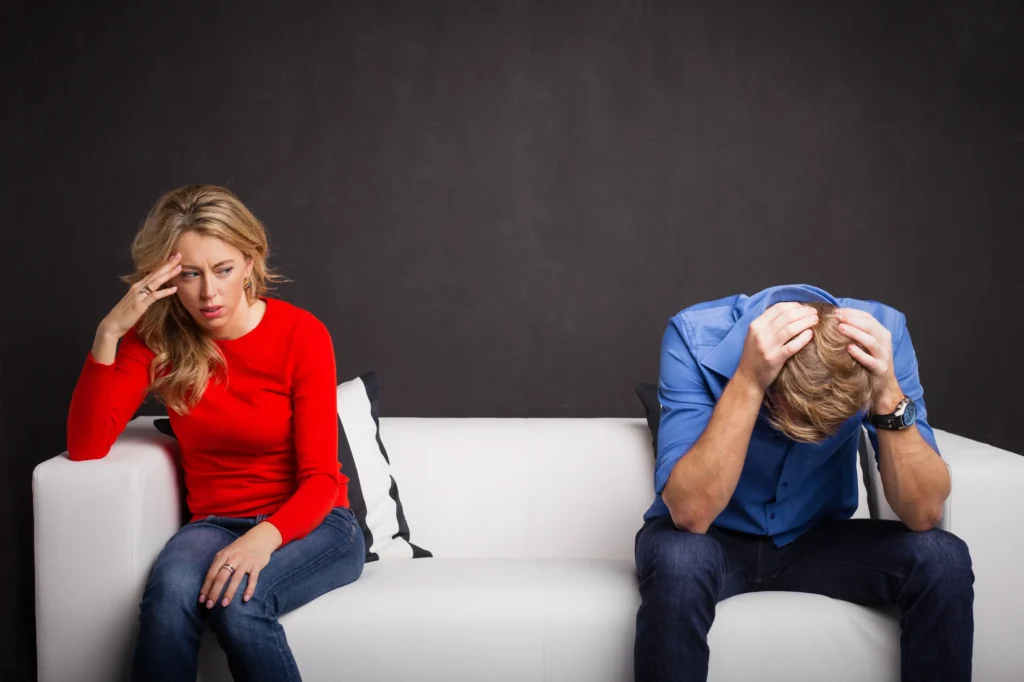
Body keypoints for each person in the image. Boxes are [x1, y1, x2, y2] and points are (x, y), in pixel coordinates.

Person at [67, 184, 364, 682]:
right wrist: (110, 334)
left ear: (250, 261)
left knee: (241, 606)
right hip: (214, 524)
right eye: (189, 274)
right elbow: (86, 445)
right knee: (168, 598)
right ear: (165, 277)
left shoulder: (302, 334)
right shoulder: (159, 341)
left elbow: (320, 479)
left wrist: (263, 540)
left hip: (316, 524)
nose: (209, 293)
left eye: (223, 270)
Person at [634, 284, 973, 682]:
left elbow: (925, 512)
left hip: (817, 540)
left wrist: (886, 390)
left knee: (943, 558)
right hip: (708, 538)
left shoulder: (885, 335)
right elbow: (690, 515)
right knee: (681, 561)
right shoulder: (691, 334)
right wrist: (748, 381)